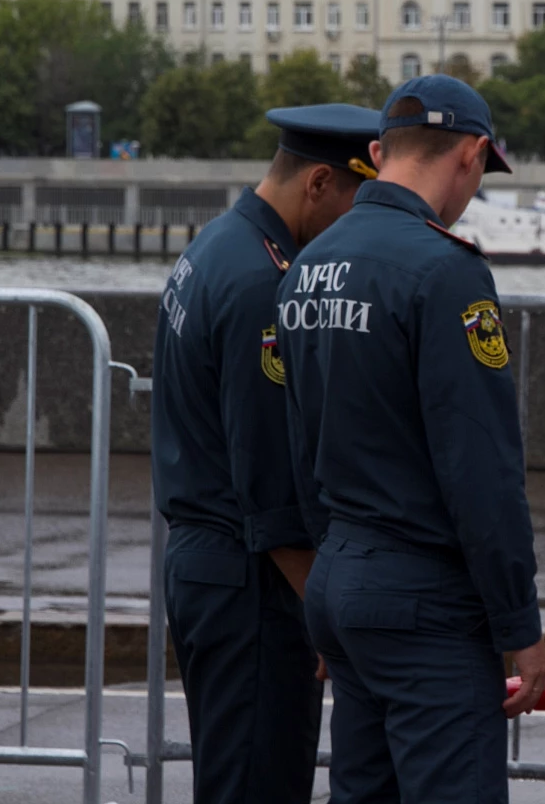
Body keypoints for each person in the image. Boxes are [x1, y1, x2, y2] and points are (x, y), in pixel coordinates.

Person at [276, 75, 545, 804]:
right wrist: (519, 623)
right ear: (471, 154)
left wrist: (331, 585)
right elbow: (482, 469)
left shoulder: (305, 269)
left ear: (377, 151)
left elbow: (300, 445)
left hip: (342, 583)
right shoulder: (445, 272)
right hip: (426, 602)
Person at [150, 103, 379, 804]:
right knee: (258, 784)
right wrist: (327, 616)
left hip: (208, 565)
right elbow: (271, 483)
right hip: (251, 583)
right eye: (355, 206)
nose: (357, 232)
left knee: (235, 776)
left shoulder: (218, 245)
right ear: (318, 184)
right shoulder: (264, 285)